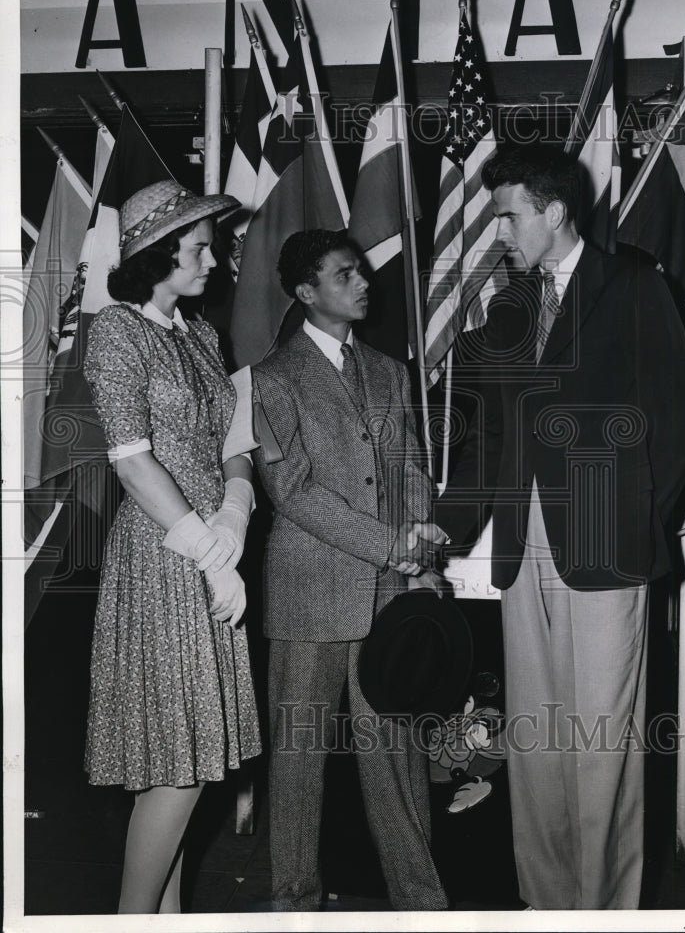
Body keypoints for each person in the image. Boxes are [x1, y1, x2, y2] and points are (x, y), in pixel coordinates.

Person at [418, 145, 685, 909]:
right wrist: (439, 532)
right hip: (518, 548)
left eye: (508, 214)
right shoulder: (507, 307)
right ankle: (545, 908)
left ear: (552, 212)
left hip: (605, 547)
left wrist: (632, 519)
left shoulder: (635, 287)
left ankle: (604, 911)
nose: (500, 230)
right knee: (538, 738)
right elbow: (480, 439)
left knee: (601, 743)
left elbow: (680, 421)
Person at [248, 229, 448, 911]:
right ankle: (292, 902)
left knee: (398, 756)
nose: (362, 281)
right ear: (307, 292)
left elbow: (413, 468)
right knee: (298, 761)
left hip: (389, 594)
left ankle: (422, 903)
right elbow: (292, 492)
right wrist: (391, 545)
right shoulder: (271, 380)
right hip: (309, 594)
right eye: (343, 274)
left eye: (360, 270)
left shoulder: (391, 371)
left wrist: (418, 530)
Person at [83, 179, 262, 914]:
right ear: (158, 254)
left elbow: (235, 445)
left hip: (212, 545)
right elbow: (130, 459)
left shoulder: (202, 336)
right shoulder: (116, 329)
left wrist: (235, 523)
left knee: (188, 761)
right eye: (200, 248)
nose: (213, 261)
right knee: (177, 768)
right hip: (164, 554)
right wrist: (205, 549)